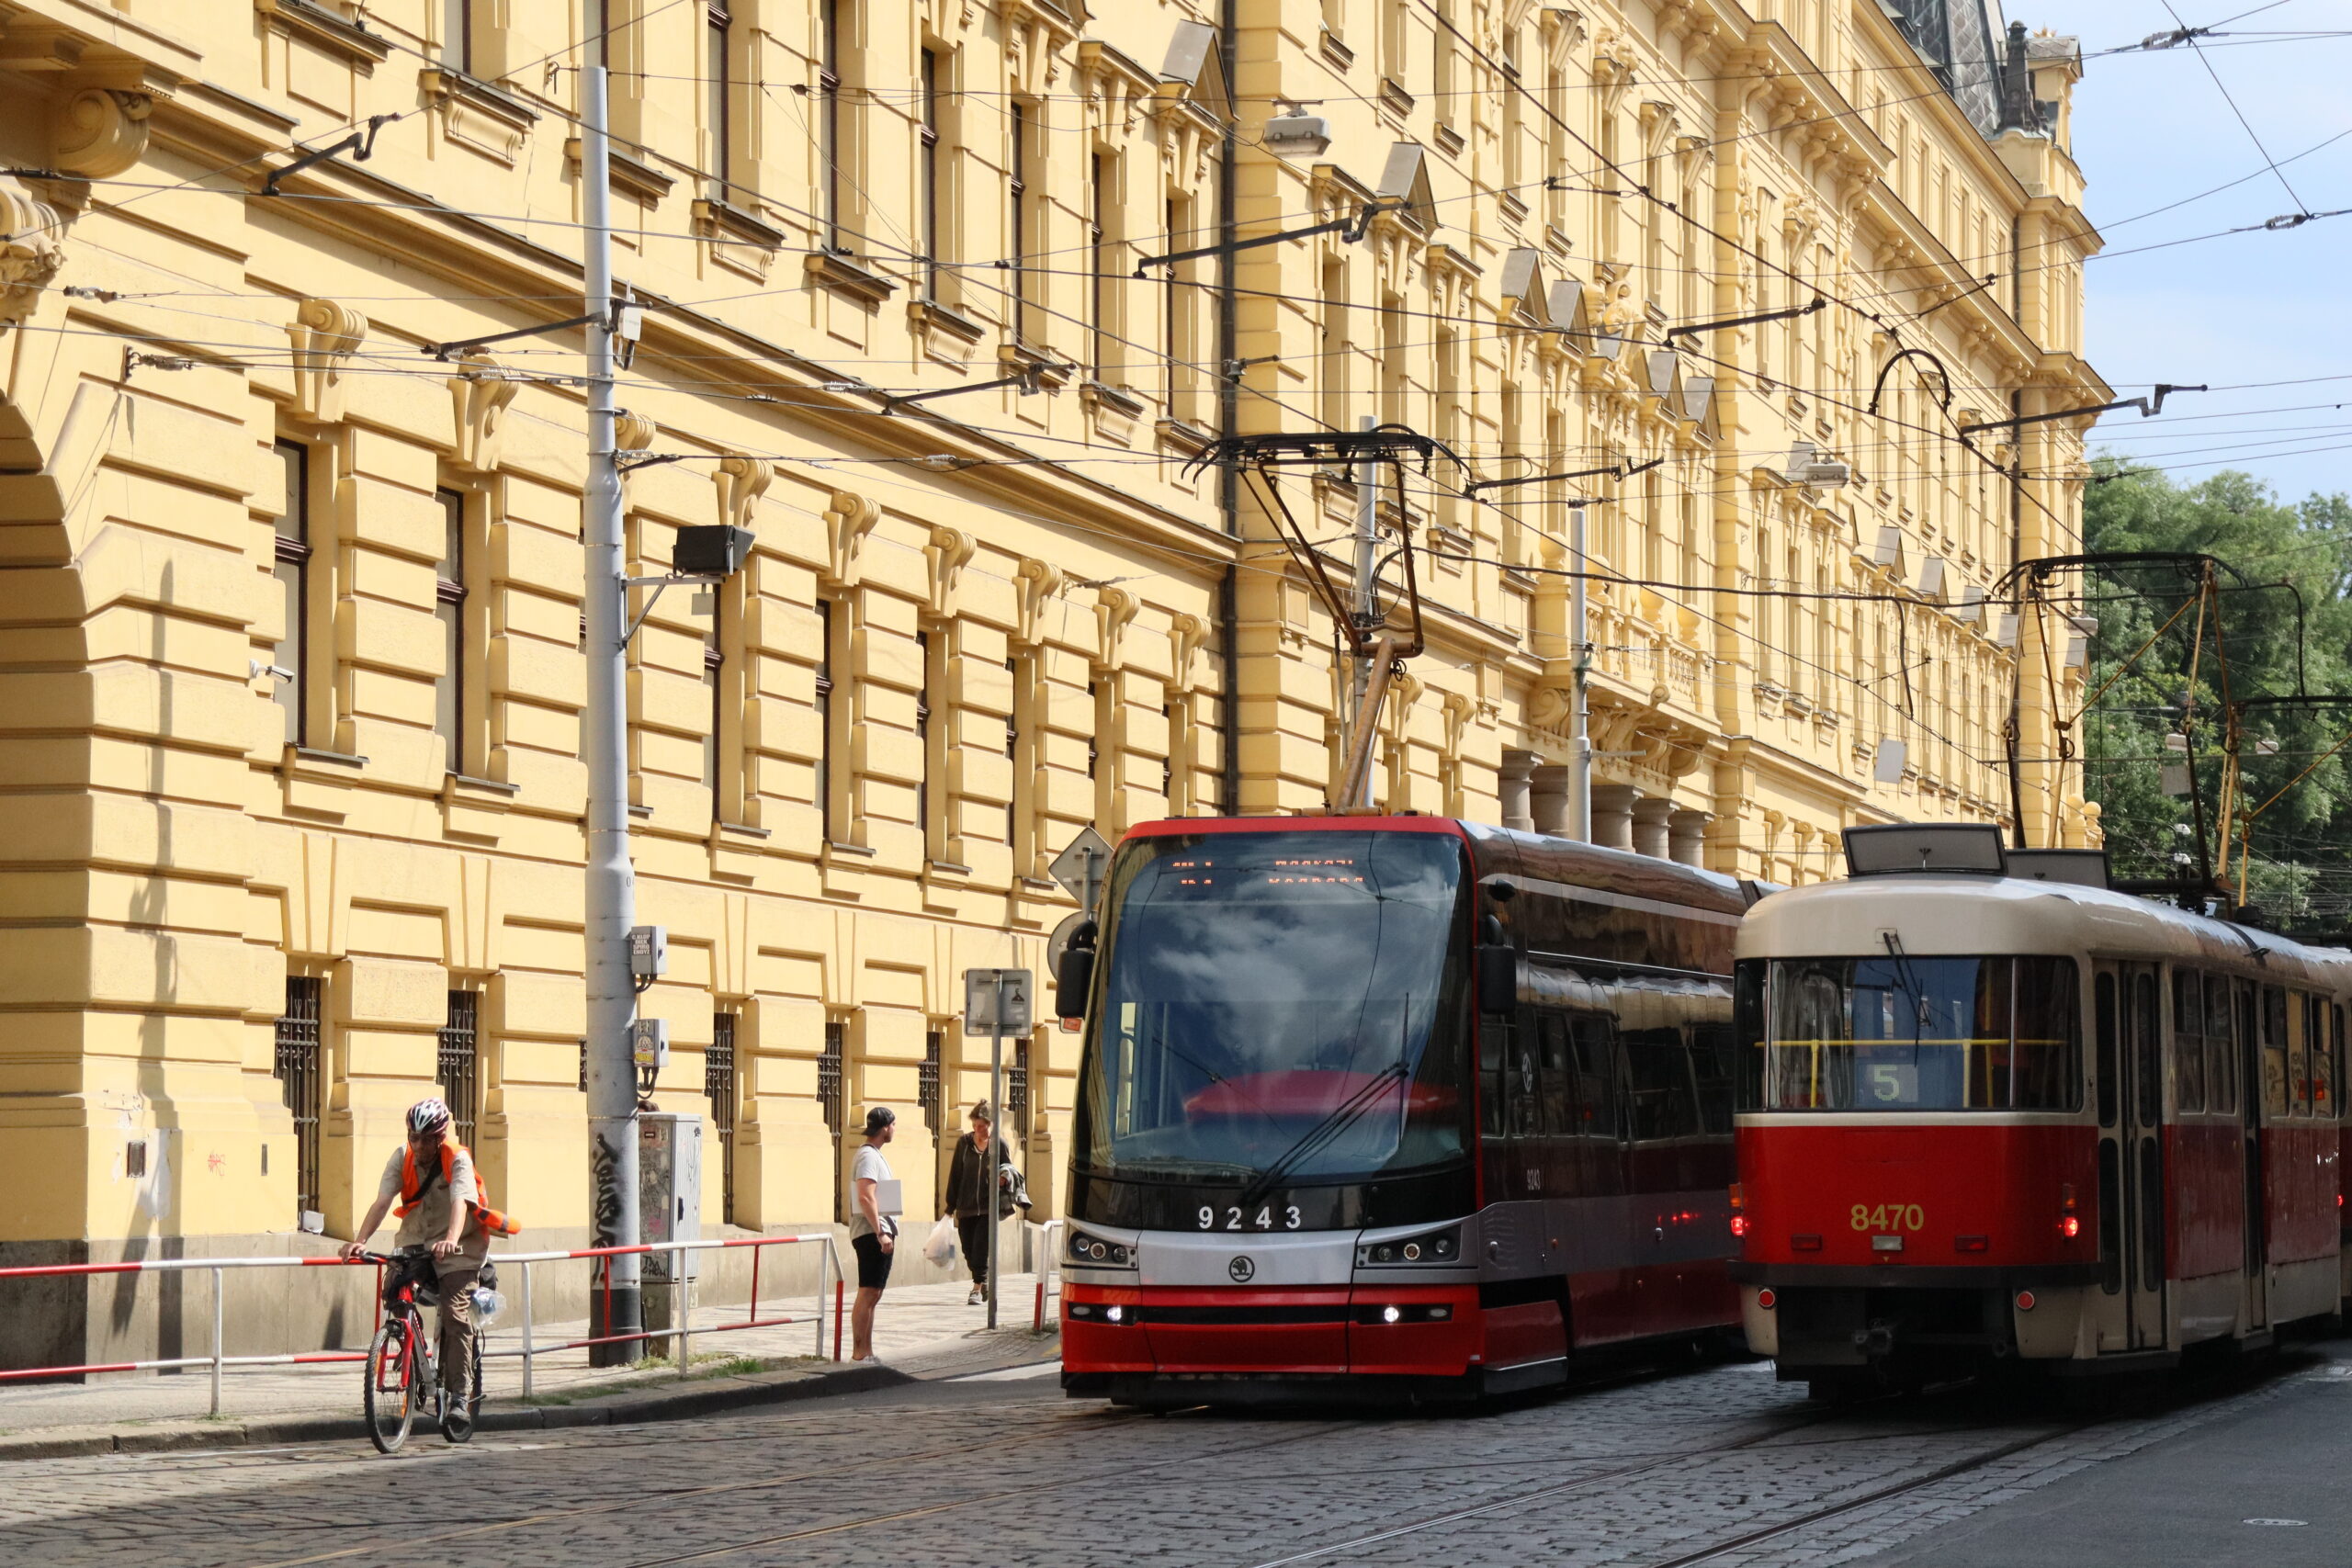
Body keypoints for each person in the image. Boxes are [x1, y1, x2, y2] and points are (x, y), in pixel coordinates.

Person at [340, 1098, 494, 1439]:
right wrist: (359, 1240)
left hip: (460, 1245)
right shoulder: (402, 1156)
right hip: (415, 1238)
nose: (419, 1145)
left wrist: (451, 1238)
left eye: (426, 1139)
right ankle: (408, 1345)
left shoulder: (458, 1159)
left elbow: (460, 1204)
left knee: (456, 1314)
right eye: (414, 1137)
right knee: (395, 1287)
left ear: (441, 1137)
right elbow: (383, 1201)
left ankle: (458, 1395)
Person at [943, 1101, 1016, 1306]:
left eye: (982, 1126)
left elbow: (1009, 1170)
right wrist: (951, 1205)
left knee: (981, 1248)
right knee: (969, 1250)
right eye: (975, 1126)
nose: (978, 1130)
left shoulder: (999, 1144)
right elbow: (955, 1174)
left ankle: (976, 1288)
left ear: (991, 1124)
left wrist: (1004, 1177)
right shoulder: (964, 1143)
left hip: (988, 1207)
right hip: (965, 1206)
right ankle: (984, 1283)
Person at [847, 1105, 899, 1362]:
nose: (894, 1130)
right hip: (870, 1233)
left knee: (874, 1293)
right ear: (886, 1127)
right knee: (867, 1292)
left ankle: (866, 1351)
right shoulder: (868, 1156)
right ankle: (859, 1352)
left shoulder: (874, 1154)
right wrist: (880, 1232)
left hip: (877, 1232)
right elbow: (866, 1196)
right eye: (893, 1125)